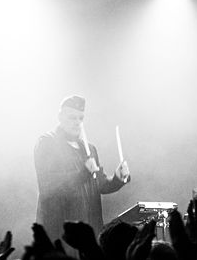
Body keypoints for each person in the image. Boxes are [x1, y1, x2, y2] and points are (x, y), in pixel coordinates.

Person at [35, 95, 130, 242]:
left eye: (81, 118)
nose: (77, 123)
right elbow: (50, 186)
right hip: (61, 233)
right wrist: (83, 173)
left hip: (90, 232)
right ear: (60, 117)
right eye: (72, 118)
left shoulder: (89, 149)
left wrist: (117, 178)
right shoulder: (47, 143)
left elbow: (99, 184)